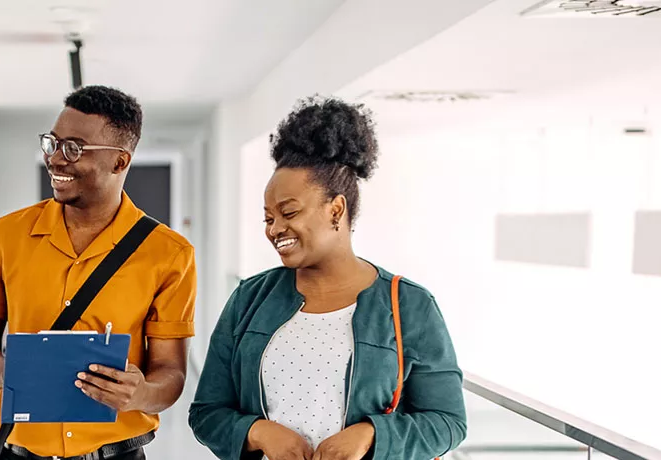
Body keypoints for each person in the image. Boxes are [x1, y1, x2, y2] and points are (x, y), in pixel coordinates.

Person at [188, 97, 466, 460]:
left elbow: (447, 421)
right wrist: (258, 432)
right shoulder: (249, 299)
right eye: (268, 218)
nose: (275, 229)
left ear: (336, 209)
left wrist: (371, 435)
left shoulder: (409, 305)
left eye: (288, 212)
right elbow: (207, 412)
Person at [0, 85, 196, 460]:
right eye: (52, 143)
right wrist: (16, 374)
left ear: (120, 161)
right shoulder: (7, 235)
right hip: (18, 451)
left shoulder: (169, 254)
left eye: (73, 148)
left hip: (115, 453)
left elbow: (171, 374)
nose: (55, 159)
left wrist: (140, 393)